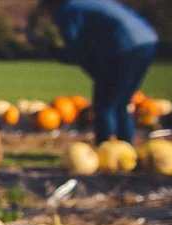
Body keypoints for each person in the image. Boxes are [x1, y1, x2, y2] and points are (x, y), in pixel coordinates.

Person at [39, 0, 158, 144]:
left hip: (125, 46)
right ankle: (126, 148)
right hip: (146, 40)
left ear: (49, 6)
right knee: (121, 103)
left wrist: (52, 51)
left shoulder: (66, 10)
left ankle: (105, 148)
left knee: (105, 105)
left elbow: (77, 51)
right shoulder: (84, 4)